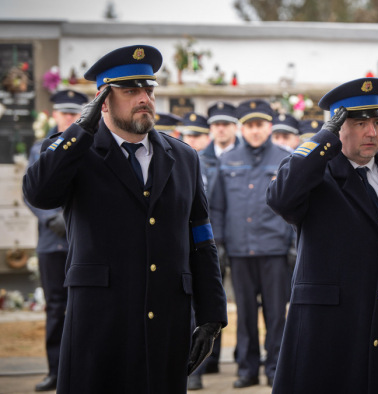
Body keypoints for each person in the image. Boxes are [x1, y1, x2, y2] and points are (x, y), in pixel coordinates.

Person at [22, 44, 228, 394]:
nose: (144, 98)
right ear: (103, 100)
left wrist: (211, 316)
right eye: (130, 91)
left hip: (166, 321)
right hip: (100, 322)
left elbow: (201, 236)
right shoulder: (76, 152)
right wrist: (79, 132)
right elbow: (39, 193)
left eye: (148, 89)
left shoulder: (183, 157)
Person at [267, 77, 378, 393]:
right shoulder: (316, 174)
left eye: (377, 122)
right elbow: (281, 197)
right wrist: (323, 138)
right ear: (338, 128)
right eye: (360, 122)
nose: (372, 132)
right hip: (328, 333)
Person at [209, 99, 292, 389]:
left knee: (275, 314)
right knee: (244, 314)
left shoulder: (285, 158)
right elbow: (217, 206)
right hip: (240, 250)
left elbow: (295, 206)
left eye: (260, 125)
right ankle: (247, 369)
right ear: (241, 128)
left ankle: (275, 368)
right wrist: (218, 244)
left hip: (274, 249)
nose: (255, 131)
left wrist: (292, 244)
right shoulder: (227, 160)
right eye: (250, 126)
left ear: (269, 127)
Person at [25, 89, 88, 392]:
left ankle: (85, 368)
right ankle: (55, 369)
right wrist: (52, 219)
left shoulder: (88, 145)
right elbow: (32, 189)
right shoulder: (41, 147)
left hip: (83, 241)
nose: (68, 118)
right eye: (63, 113)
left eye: (73, 113)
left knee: (88, 306)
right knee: (55, 309)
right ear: (54, 115)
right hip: (52, 241)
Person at [188, 101, 238, 390]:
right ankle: (195, 368)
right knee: (197, 304)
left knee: (218, 307)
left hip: (235, 240)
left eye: (225, 124)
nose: (220, 129)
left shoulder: (240, 156)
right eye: (215, 124)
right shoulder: (195, 158)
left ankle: (216, 356)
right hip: (203, 241)